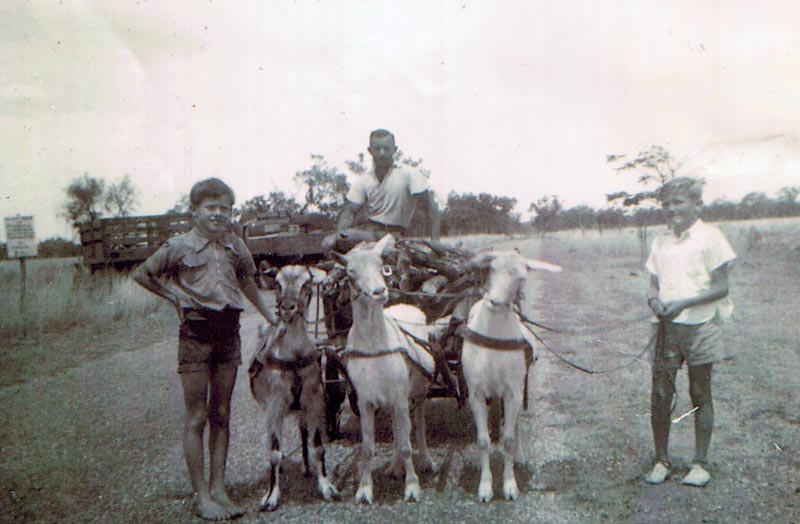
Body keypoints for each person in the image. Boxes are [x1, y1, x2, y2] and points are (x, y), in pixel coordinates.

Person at [133, 178, 277, 520]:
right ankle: (202, 496)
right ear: (194, 211)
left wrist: (270, 315)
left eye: (224, 209)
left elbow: (246, 282)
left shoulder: (236, 246)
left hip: (228, 333)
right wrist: (174, 298)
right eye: (210, 208)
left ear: (231, 213)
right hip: (195, 334)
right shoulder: (179, 246)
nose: (218, 214)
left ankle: (219, 489)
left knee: (222, 414)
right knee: (197, 415)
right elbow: (143, 274)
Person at [644, 176, 736, 487]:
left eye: (678, 202)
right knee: (660, 394)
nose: (671, 209)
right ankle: (661, 459)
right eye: (666, 204)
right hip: (667, 329)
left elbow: (722, 287)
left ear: (698, 204)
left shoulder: (711, 238)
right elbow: (654, 285)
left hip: (701, 327)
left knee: (700, 392)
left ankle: (700, 462)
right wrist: (655, 301)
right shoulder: (661, 242)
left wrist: (684, 302)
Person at [336, 128, 441, 243]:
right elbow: (349, 212)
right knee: (329, 242)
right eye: (377, 149)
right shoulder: (364, 179)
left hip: (395, 233)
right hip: (369, 232)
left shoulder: (409, 174)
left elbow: (431, 208)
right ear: (370, 151)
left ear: (394, 150)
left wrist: (435, 240)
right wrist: (341, 233)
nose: (382, 153)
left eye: (386, 149)